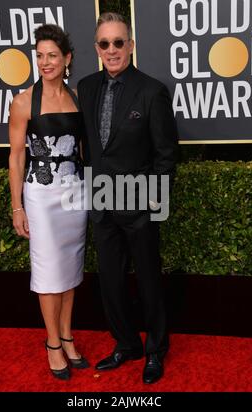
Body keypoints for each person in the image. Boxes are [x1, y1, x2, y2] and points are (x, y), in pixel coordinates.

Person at [77, 12, 178, 384]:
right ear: (96, 49)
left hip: (139, 205)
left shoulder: (152, 90)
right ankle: (125, 344)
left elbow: (166, 155)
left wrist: (151, 202)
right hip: (101, 203)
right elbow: (90, 147)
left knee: (149, 279)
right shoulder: (86, 87)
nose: (112, 50)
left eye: (119, 42)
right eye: (105, 44)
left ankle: (154, 350)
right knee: (111, 280)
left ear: (131, 45)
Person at [8, 24, 89, 381]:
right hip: (40, 197)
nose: (45, 62)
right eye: (39, 56)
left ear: (67, 58)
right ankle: (53, 343)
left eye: (52, 55)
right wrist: (17, 207)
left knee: (70, 269)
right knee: (47, 271)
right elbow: (15, 159)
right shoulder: (24, 101)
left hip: (76, 193)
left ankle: (68, 336)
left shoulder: (78, 98)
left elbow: (85, 150)